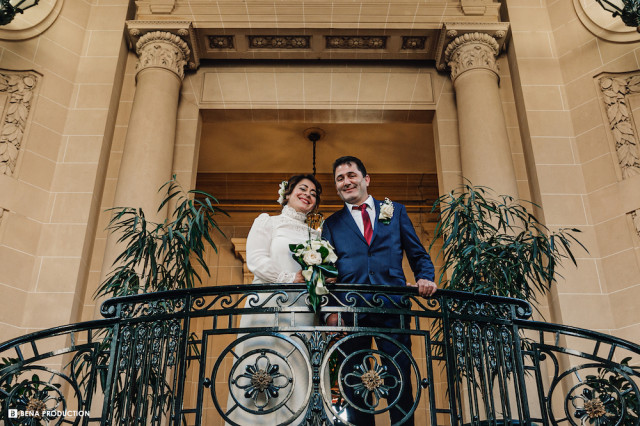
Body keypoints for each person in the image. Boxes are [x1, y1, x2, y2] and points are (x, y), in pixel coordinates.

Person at [321, 156, 436, 426]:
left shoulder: (395, 211)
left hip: (392, 308)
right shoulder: (332, 223)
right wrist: (329, 313)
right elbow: (324, 272)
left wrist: (425, 278)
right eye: (340, 178)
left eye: (351, 175)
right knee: (354, 382)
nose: (346, 182)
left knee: (398, 379)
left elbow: (418, 255)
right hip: (351, 311)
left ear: (366, 179)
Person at [224, 174, 323, 425]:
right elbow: (257, 261)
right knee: (261, 368)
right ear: (287, 194)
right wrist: (292, 277)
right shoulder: (268, 222)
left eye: (313, 193)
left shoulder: (317, 236)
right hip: (267, 305)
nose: (308, 194)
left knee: (298, 369)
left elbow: (321, 272)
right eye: (303, 189)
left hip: (302, 311)